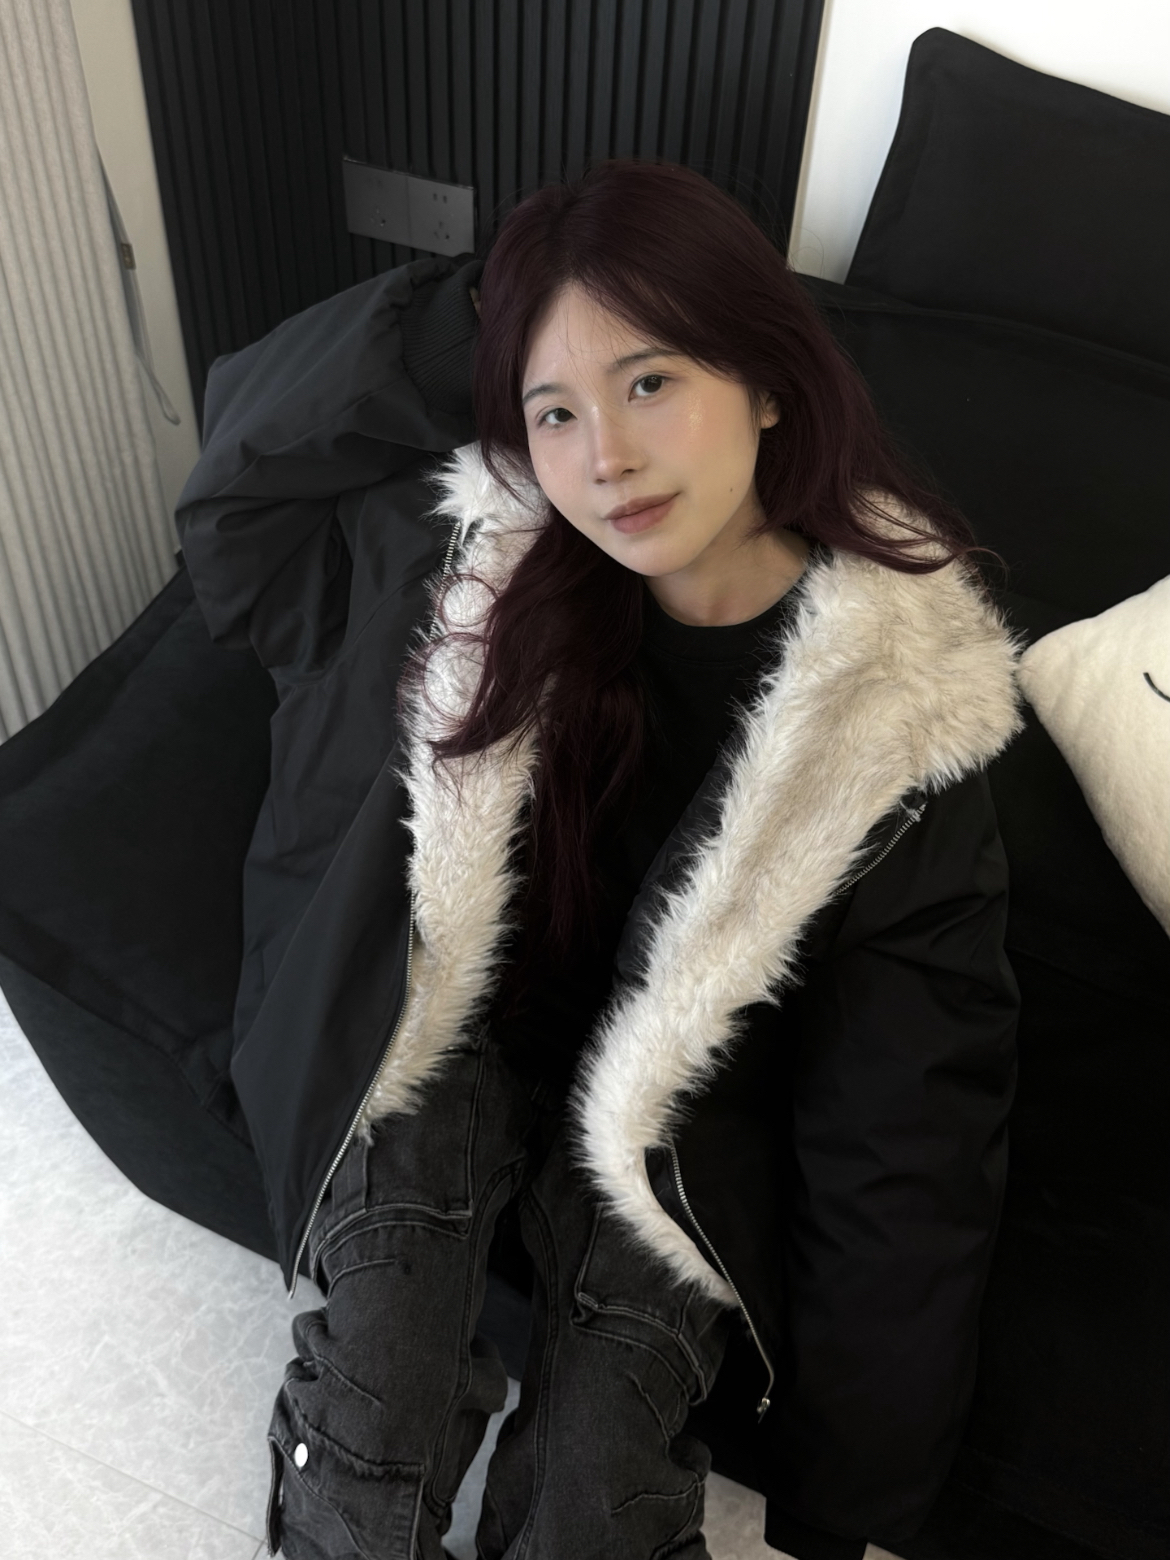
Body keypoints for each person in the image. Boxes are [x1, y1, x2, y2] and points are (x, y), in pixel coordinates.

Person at [176, 159, 1021, 1560]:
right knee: (374, 1414)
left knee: (597, 1502)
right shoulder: (457, 566)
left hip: (675, 1125)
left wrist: (850, 1496)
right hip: (430, 1031)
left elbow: (910, 1126)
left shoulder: (897, 722)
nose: (605, 460)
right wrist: (488, 308)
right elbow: (234, 510)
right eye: (554, 410)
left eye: (650, 382)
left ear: (767, 381)